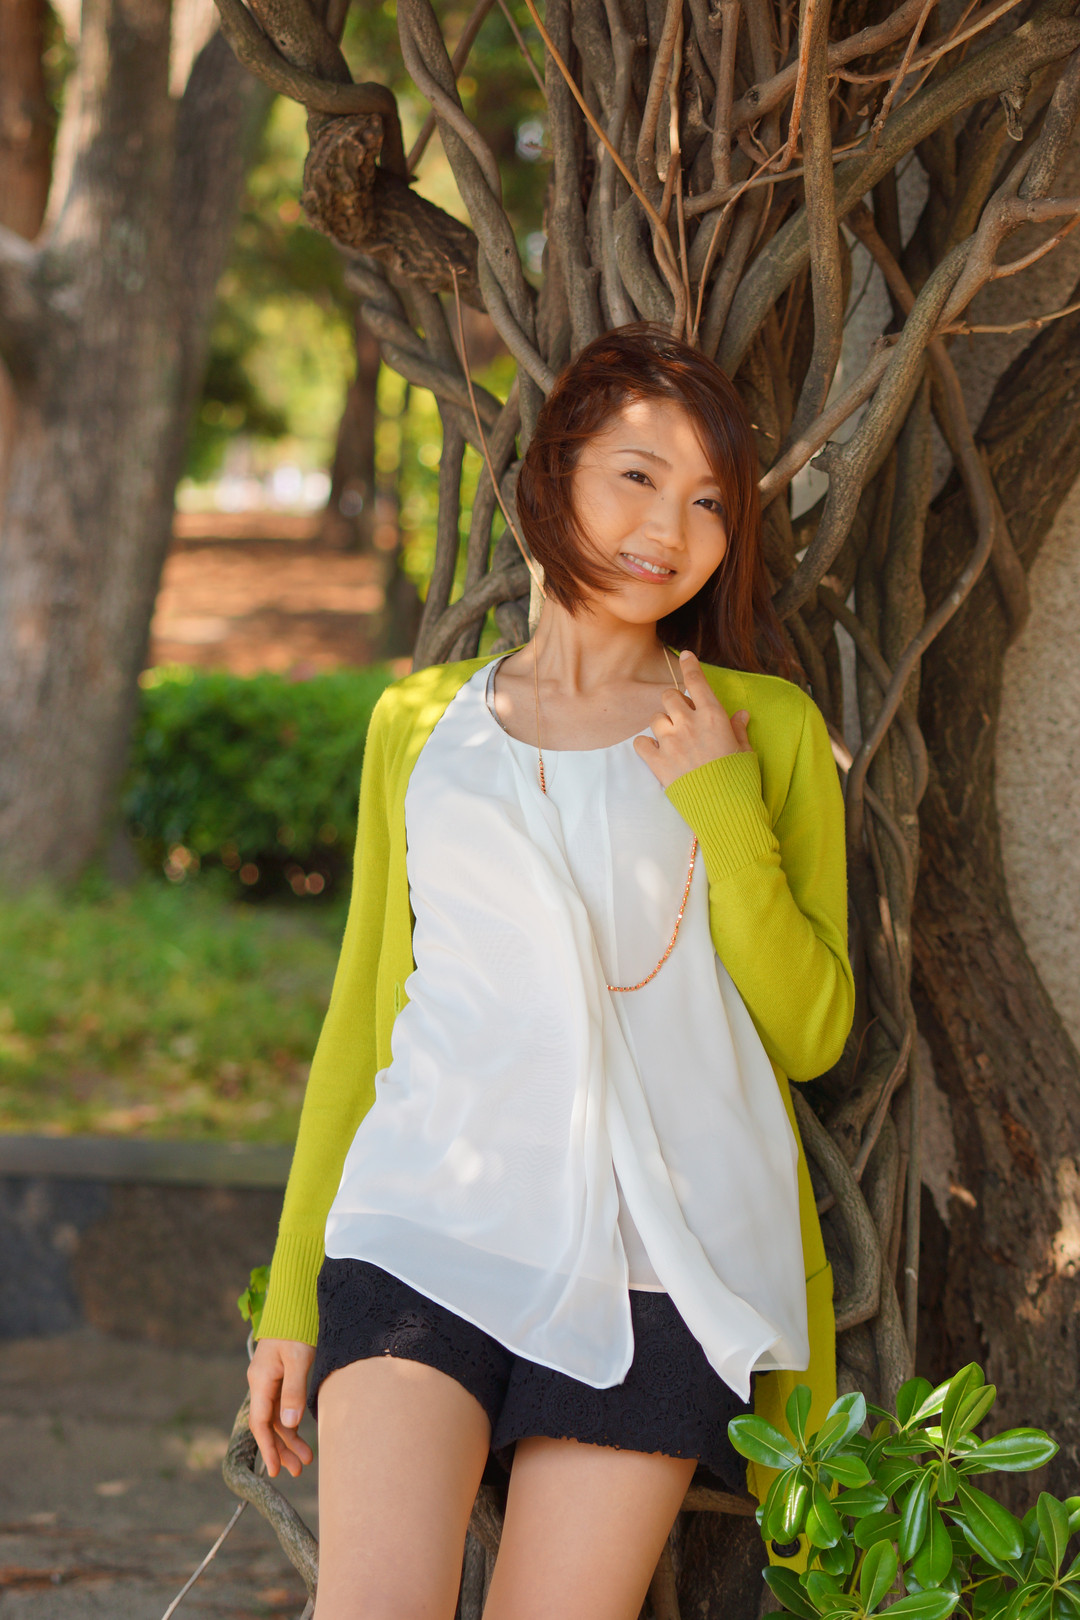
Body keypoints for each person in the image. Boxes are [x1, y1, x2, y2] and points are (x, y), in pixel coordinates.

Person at [247, 324, 855, 1620]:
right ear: (554, 471)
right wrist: (292, 1295)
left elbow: (811, 1032)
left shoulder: (761, 728)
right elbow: (365, 1026)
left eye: (710, 502)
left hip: (663, 1264)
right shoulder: (420, 726)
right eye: (637, 476)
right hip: (429, 1230)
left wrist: (721, 803)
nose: (670, 528)